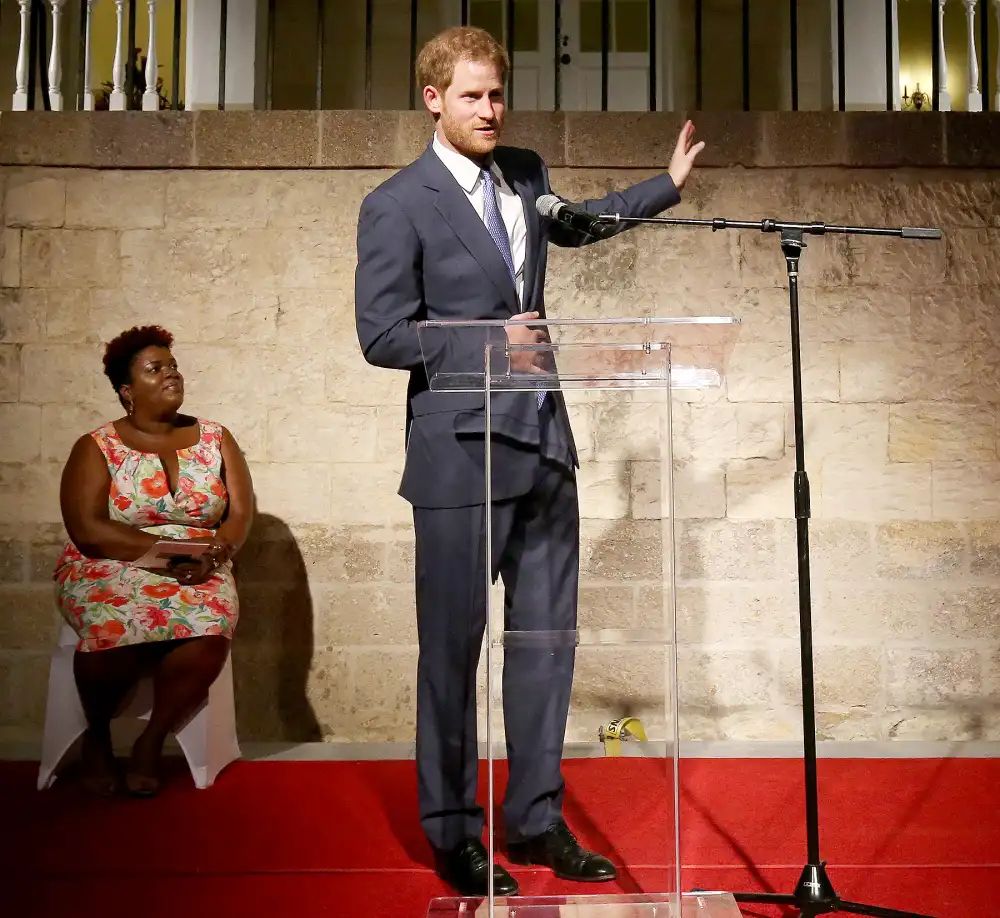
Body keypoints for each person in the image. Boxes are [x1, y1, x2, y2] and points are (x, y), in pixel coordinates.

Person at [354, 26, 704, 897]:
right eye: (472, 95)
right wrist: (485, 345)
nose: (490, 109)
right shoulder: (397, 203)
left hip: (544, 441)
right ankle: (452, 832)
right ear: (432, 98)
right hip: (459, 456)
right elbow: (382, 335)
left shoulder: (528, 171)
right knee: (453, 650)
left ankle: (537, 822)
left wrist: (665, 188)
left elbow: (575, 227)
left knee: (547, 644)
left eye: (497, 93)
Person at [53, 325, 254, 798]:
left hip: (200, 563)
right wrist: (157, 556)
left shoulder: (215, 437)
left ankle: (152, 739)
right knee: (110, 629)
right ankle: (97, 737)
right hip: (111, 562)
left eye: (172, 365)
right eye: (155, 368)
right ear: (127, 391)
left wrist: (217, 553)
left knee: (209, 627)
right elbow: (87, 527)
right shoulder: (96, 446)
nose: (172, 373)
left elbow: (241, 513)